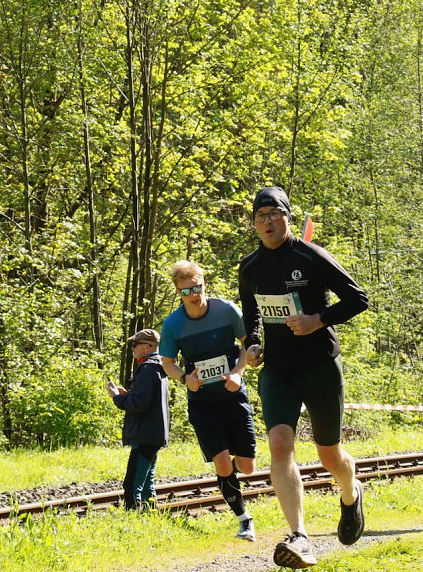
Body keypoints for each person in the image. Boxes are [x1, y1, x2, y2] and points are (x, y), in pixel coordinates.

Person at [238, 186, 369, 569]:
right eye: (260, 216)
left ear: (287, 217)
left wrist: (319, 320)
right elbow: (252, 317)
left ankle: (350, 493)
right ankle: (300, 536)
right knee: (279, 444)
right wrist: (253, 345)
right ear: (255, 224)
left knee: (329, 455)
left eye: (273, 214)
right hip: (278, 368)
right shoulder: (249, 267)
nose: (266, 221)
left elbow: (357, 299)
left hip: (319, 366)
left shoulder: (310, 256)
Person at [159, 260, 258, 542]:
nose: (193, 294)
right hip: (202, 402)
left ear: (204, 284)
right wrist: (183, 379)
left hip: (233, 395)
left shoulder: (226, 310)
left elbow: (246, 344)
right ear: (178, 292)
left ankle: (227, 473)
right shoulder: (173, 324)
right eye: (185, 291)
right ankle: (244, 519)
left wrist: (238, 373)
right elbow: (167, 361)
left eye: (197, 287)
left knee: (248, 465)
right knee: (223, 462)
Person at [107, 328, 170, 511]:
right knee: (147, 483)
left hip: (144, 435)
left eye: (136, 344)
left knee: (132, 484)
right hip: (154, 434)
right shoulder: (160, 367)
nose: (133, 348)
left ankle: (133, 517)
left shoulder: (147, 369)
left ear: (149, 346)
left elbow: (138, 405)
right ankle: (151, 514)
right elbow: (147, 400)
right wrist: (129, 394)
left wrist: (116, 397)